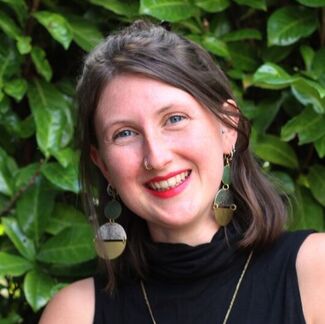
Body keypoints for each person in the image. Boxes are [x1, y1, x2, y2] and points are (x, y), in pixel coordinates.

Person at [39, 20, 325, 324]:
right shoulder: (75, 314)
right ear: (103, 164)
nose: (157, 158)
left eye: (174, 118)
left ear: (228, 126)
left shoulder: (315, 272)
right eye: (124, 133)